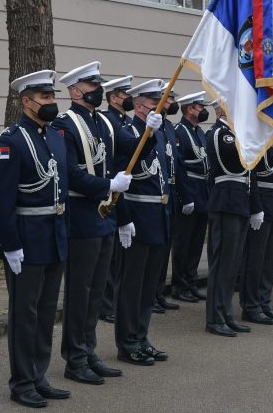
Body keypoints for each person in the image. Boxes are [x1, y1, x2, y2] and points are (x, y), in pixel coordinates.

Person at [52, 62, 138, 385]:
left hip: (105, 217)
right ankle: (74, 358)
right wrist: (107, 186)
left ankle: (88, 351)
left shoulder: (103, 122)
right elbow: (69, 172)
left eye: (98, 84)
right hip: (82, 216)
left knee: (97, 290)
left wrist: (150, 130)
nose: (98, 90)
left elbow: (131, 152)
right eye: (92, 85)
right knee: (80, 290)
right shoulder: (66, 125)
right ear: (75, 90)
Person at [0, 70, 71, 408]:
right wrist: (10, 245)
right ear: (26, 101)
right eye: (45, 97)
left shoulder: (53, 136)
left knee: (46, 312)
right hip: (25, 240)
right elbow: (0, 200)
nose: (51, 102)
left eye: (53, 96)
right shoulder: (10, 140)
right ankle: (21, 382)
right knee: (24, 314)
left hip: (53, 237)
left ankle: (38, 375)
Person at [114, 79, 168, 364]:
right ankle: (127, 342)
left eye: (158, 103)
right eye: (151, 104)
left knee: (149, 285)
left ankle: (141, 336)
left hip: (157, 216)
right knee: (131, 285)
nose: (156, 108)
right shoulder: (126, 132)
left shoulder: (156, 132)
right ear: (137, 105)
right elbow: (121, 176)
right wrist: (123, 219)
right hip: (136, 215)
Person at [205, 100, 260, 336]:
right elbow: (235, 160)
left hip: (238, 200)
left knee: (233, 263)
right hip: (225, 200)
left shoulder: (234, 134)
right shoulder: (218, 133)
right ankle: (215, 317)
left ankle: (226, 312)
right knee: (222, 263)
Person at [240, 138, 273, 325]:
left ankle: (264, 303)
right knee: (255, 259)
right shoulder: (255, 138)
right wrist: (256, 207)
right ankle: (251, 306)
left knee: (269, 259)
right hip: (261, 203)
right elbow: (253, 175)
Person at [99, 76, 134, 325]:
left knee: (117, 256)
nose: (128, 99)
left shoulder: (124, 120)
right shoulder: (109, 120)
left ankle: (112, 301)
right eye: (124, 95)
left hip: (123, 186)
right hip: (112, 187)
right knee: (110, 258)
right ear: (113, 98)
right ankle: (106, 304)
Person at [172, 92, 211, 304]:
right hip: (189, 191)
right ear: (189, 109)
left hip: (202, 192)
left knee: (196, 242)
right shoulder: (180, 132)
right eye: (199, 106)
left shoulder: (199, 132)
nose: (203, 110)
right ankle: (180, 285)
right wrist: (185, 196)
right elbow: (179, 167)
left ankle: (191, 280)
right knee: (183, 242)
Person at [154, 86, 186, 312]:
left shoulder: (168, 126)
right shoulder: (155, 127)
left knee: (165, 247)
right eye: (170, 98)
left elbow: (177, 162)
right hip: (155, 196)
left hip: (170, 193)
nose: (173, 101)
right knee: (155, 249)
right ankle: (151, 295)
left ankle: (158, 292)